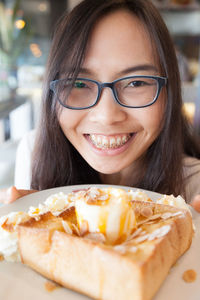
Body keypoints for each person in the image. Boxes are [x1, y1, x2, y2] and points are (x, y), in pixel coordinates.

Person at [1, 0, 200, 212]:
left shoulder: (194, 189)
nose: (107, 116)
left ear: (170, 90)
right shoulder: (33, 152)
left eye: (136, 83)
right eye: (78, 83)